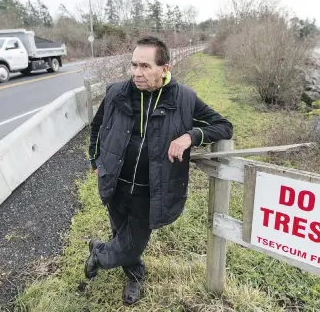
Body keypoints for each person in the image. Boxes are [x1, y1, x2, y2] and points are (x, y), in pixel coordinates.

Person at [85, 36, 233, 306]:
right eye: (134, 65)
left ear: (164, 68)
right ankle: (135, 275)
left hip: (151, 189)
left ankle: (99, 253)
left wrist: (191, 136)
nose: (137, 73)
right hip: (115, 182)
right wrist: (96, 161)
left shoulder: (184, 98)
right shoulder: (116, 92)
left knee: (133, 242)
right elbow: (96, 127)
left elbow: (223, 125)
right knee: (120, 234)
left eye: (145, 66)